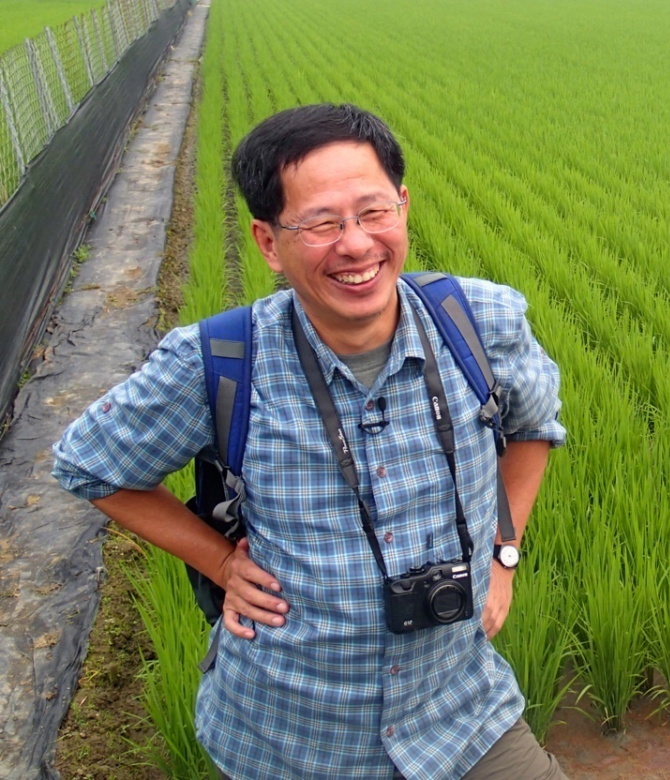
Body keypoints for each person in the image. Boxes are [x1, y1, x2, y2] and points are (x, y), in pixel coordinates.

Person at [53, 104, 568, 780]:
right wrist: (221, 563)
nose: (355, 245)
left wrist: (503, 553)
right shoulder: (217, 361)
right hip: (293, 735)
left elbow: (534, 427)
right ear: (268, 242)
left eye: (373, 212)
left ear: (403, 206)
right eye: (321, 223)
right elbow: (89, 465)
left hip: (462, 715)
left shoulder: (481, 325)